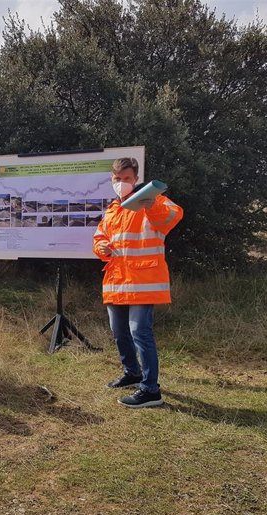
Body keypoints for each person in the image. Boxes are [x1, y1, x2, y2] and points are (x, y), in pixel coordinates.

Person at [92, 157, 183, 408]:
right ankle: (131, 373)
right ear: (112, 179)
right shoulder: (111, 210)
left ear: (136, 179)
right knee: (120, 333)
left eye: (127, 179)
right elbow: (99, 236)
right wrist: (102, 247)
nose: (121, 183)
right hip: (116, 282)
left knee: (140, 333)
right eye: (117, 179)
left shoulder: (153, 201)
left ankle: (150, 390)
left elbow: (170, 218)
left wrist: (149, 203)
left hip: (144, 281)